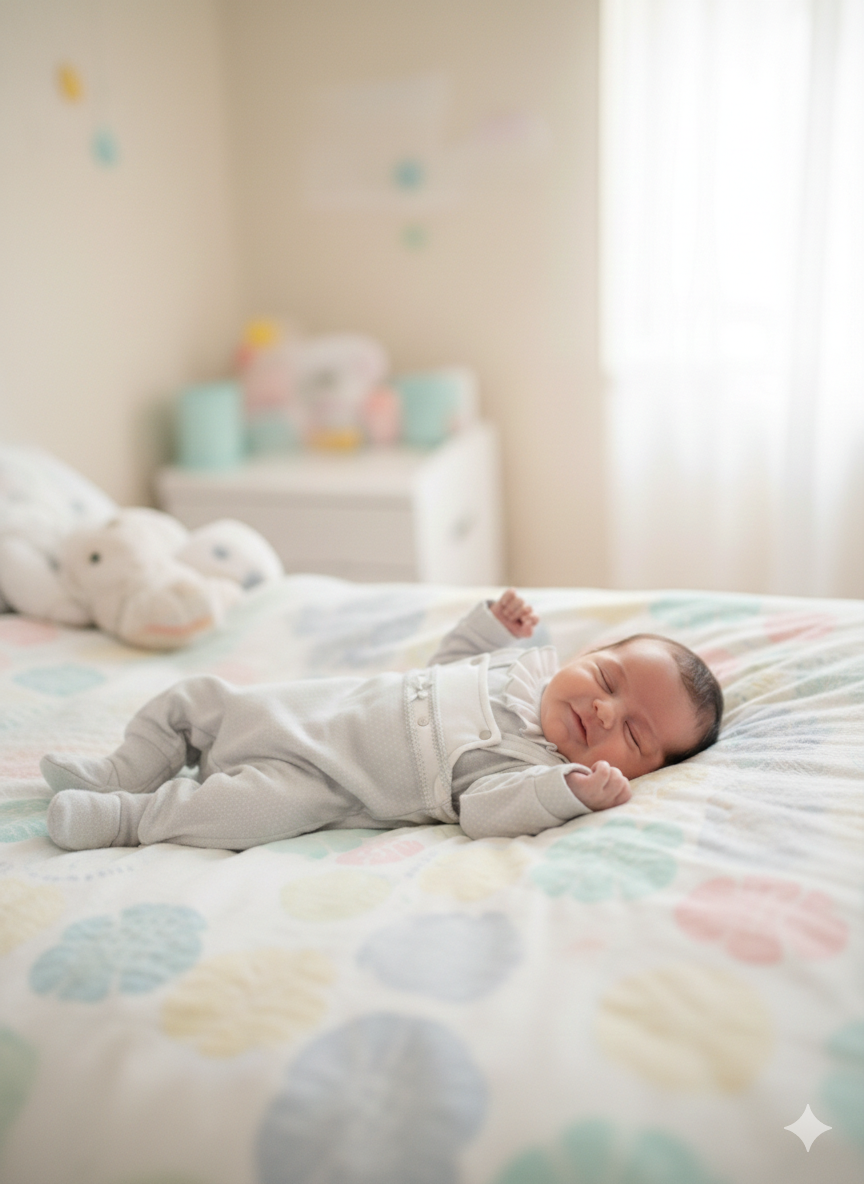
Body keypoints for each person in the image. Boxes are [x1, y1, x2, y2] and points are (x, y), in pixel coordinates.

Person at [43, 590, 723, 851]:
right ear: (584, 656)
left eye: (633, 735)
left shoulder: (537, 770)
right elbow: (445, 665)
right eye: (606, 679)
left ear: (644, 768)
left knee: (240, 812)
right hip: (302, 709)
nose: (605, 710)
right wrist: (487, 627)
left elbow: (484, 814)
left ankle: (129, 818)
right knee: (194, 697)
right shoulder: (516, 672)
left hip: (330, 784)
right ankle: (121, 769)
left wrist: (568, 794)